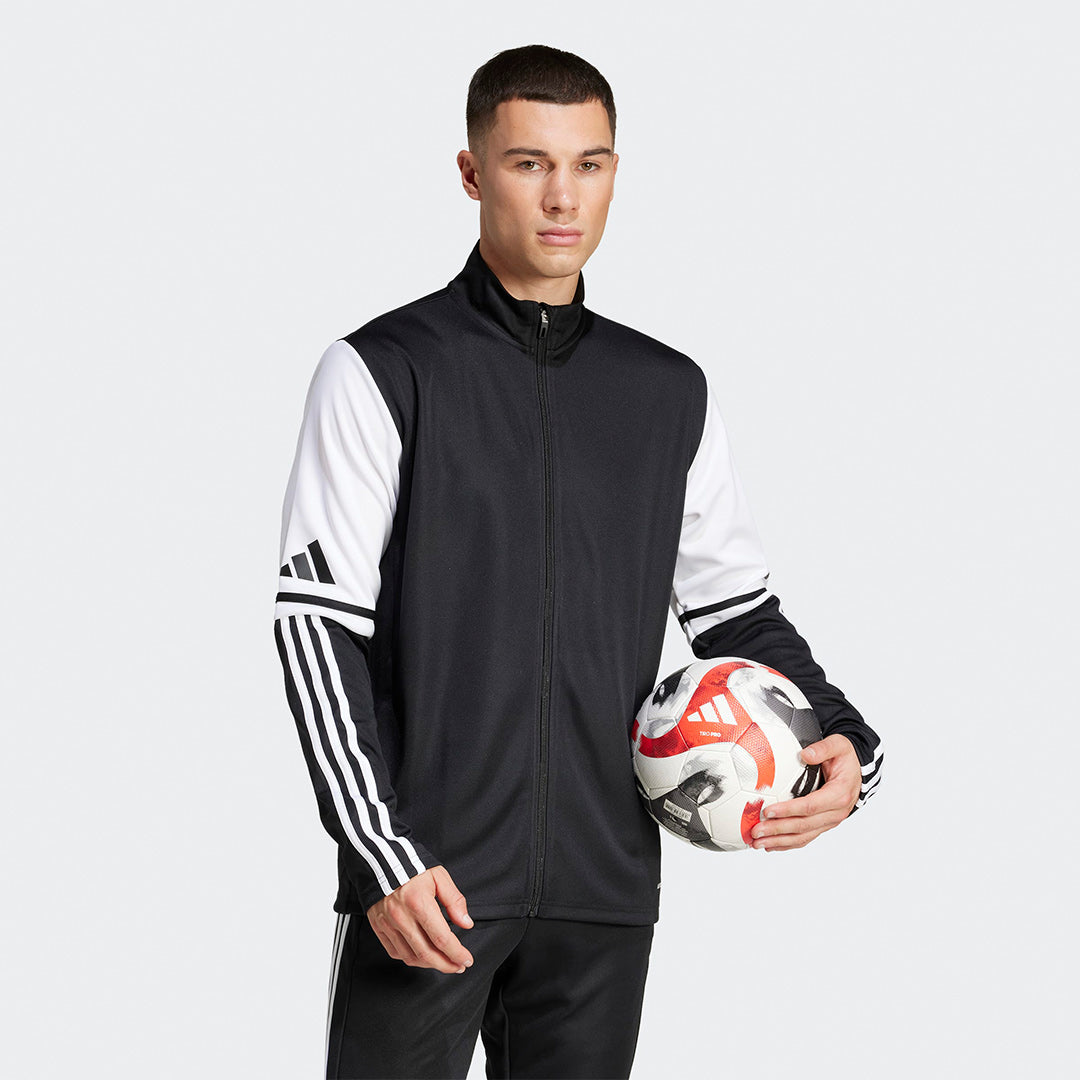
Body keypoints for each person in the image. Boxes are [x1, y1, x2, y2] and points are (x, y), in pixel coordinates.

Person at [273, 43, 884, 1080]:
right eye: (530, 163)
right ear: (472, 173)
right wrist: (381, 851)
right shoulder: (383, 370)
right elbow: (316, 626)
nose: (564, 197)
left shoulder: (667, 391)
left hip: (603, 891)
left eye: (589, 164)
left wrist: (846, 743)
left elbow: (736, 615)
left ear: (613, 172)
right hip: (428, 885)